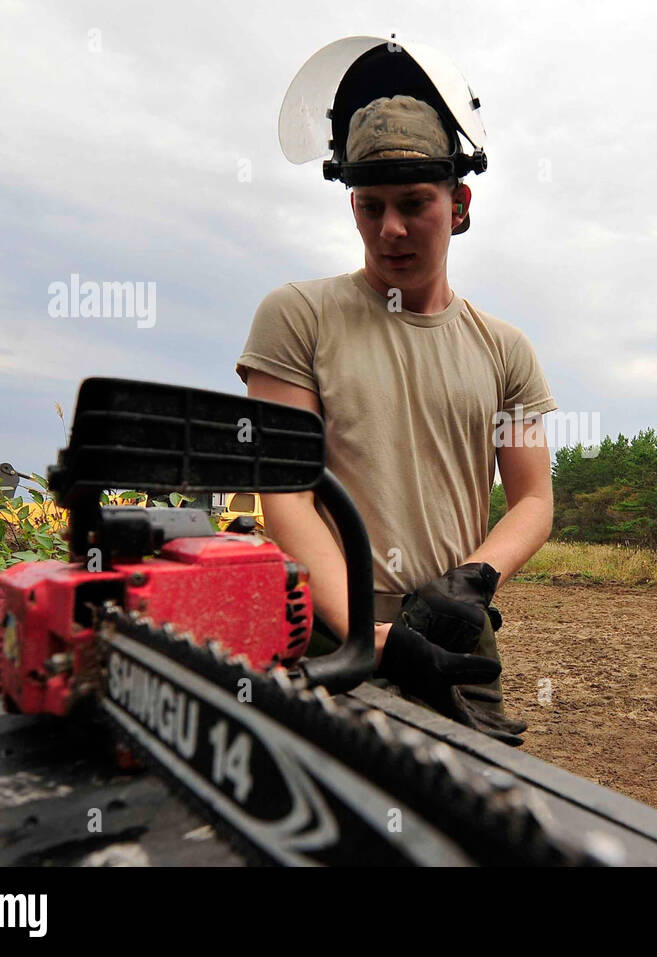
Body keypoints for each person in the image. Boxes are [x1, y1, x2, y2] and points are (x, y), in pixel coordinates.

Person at [235, 45, 555, 746]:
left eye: (415, 204)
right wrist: (374, 636)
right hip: (327, 633)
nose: (391, 229)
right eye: (370, 206)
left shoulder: (505, 349)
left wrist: (472, 580)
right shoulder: (296, 317)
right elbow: (284, 492)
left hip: (452, 635)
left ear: (459, 203)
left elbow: (533, 499)